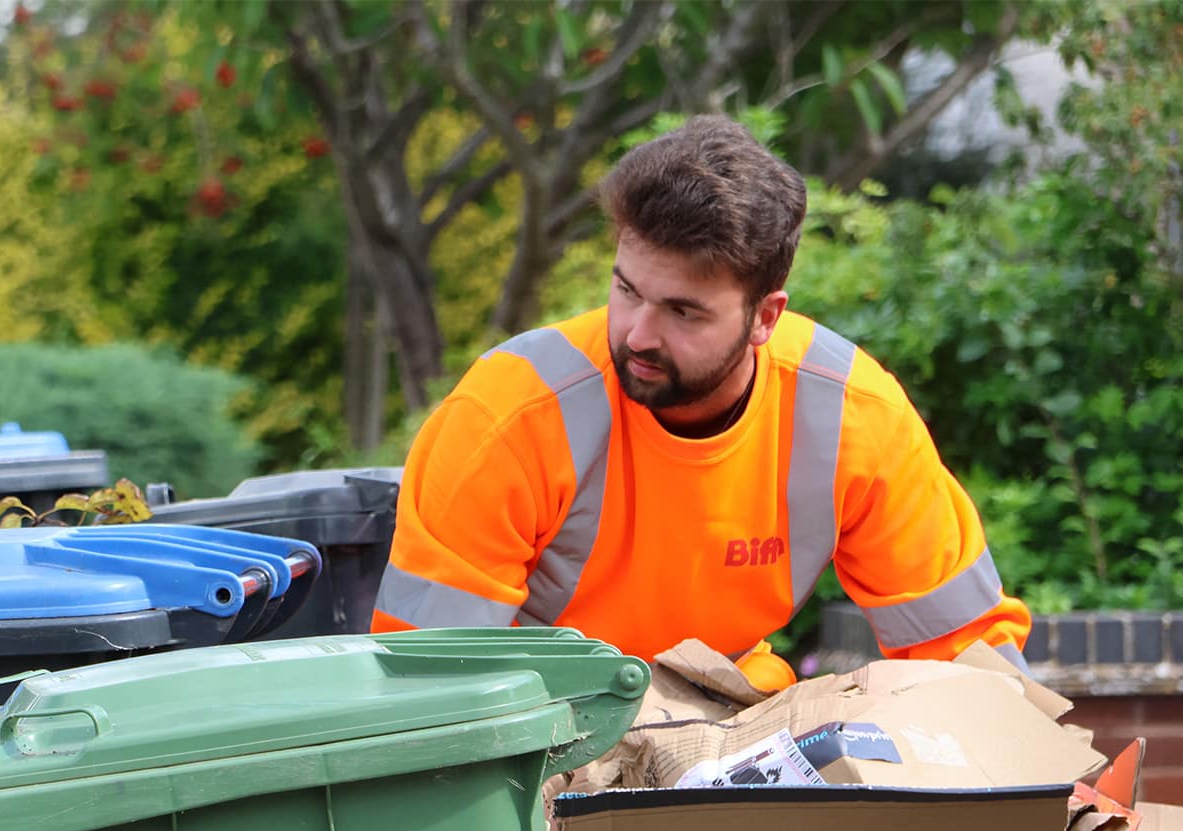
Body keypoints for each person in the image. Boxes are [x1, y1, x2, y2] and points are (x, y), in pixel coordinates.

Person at [371, 115, 1031, 686]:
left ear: (764, 317)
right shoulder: (508, 416)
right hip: (534, 737)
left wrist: (1043, 786)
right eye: (626, 290)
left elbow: (964, 649)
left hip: (722, 731)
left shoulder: (853, 417)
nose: (637, 333)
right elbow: (430, 685)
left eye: (682, 311)